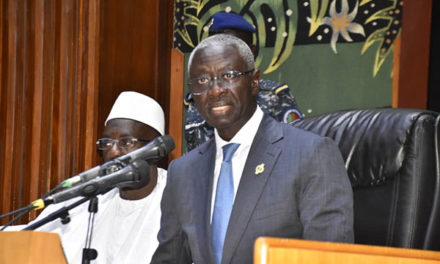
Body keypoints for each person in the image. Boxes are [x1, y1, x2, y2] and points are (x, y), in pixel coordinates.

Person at [151, 34, 354, 264]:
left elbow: (328, 259)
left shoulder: (310, 155)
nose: (215, 90)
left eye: (228, 76)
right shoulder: (182, 172)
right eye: (202, 80)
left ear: (254, 81)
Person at [9, 91, 167, 263]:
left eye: (126, 142)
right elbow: (30, 238)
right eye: (107, 143)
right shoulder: (88, 194)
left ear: (156, 150)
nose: (113, 152)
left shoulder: (177, 198)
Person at [184, 11, 303, 151]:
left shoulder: (274, 95)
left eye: (234, 47)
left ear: (251, 51)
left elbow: (295, 149)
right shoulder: (196, 100)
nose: (217, 91)